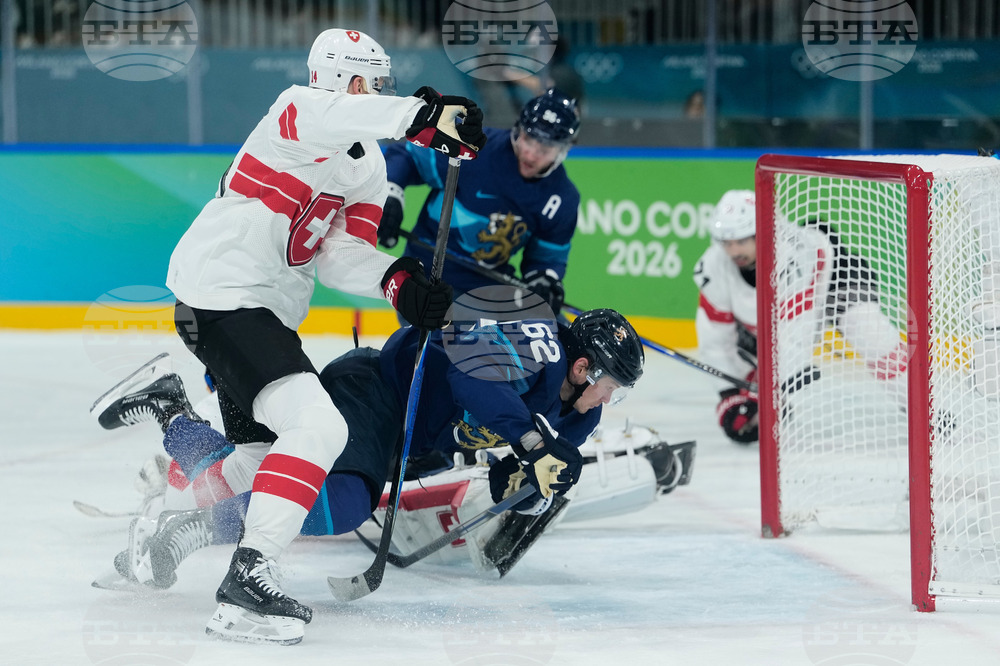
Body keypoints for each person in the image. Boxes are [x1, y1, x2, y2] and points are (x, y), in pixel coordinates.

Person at [155, 27, 487, 643]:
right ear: (348, 80)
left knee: (262, 455)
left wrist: (397, 280)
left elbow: (339, 253)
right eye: (372, 81)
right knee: (321, 427)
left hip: (260, 315)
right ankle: (249, 580)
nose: (378, 91)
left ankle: (165, 495)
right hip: (224, 294)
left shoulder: (368, 161)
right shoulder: (297, 110)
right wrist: (425, 117)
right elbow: (345, 113)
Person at [92, 306, 649, 643]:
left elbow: (515, 477)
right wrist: (530, 442)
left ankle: (172, 415)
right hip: (377, 396)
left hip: (408, 445)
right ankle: (194, 525)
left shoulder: (583, 413)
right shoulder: (540, 346)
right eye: (612, 385)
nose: (610, 399)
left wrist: (530, 488)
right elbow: (470, 378)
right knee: (343, 502)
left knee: (261, 473)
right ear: (584, 366)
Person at [692, 189, 908, 445]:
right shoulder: (715, 266)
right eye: (727, 243)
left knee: (867, 330)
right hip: (784, 314)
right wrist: (730, 395)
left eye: (740, 241)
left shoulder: (792, 254)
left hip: (835, 275)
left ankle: (920, 404)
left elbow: (795, 334)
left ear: (760, 234)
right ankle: (766, 400)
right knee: (745, 348)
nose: (733, 250)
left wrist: (766, 395)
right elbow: (715, 339)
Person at [376, 88, 581, 317]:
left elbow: (545, 260)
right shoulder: (476, 148)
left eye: (544, 148)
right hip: (427, 280)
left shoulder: (563, 199)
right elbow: (407, 156)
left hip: (490, 291)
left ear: (564, 148)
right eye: (528, 139)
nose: (531, 154)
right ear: (518, 129)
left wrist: (546, 281)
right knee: (451, 345)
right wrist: (391, 195)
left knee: (558, 335)